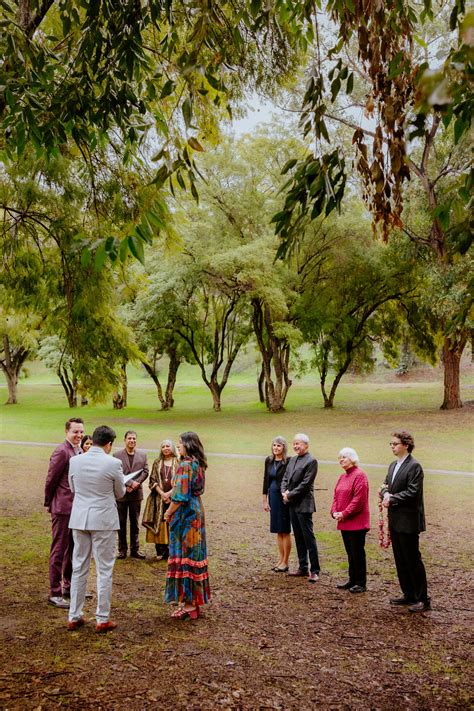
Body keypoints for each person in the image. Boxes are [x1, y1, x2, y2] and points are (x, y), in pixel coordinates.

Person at [67, 425, 125, 632]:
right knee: (104, 569)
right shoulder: (114, 463)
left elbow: (72, 488)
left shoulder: (75, 460)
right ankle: (102, 618)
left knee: (78, 566)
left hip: (80, 517)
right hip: (103, 520)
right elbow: (120, 492)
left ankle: (74, 615)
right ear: (109, 443)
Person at [164, 431, 211, 619]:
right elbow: (188, 489)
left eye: (180, 443)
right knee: (194, 554)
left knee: (185, 555)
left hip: (185, 515)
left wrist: (168, 513)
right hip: (197, 511)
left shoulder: (185, 465)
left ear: (188, 445)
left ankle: (189, 605)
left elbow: (181, 497)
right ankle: (193, 602)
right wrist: (170, 493)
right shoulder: (198, 464)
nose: (178, 446)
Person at [382, 431, 430, 612]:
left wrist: (392, 498)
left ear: (406, 445)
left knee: (412, 559)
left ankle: (422, 599)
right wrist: (385, 493)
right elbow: (385, 484)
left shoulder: (414, 466)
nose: (392, 447)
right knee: (400, 558)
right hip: (395, 519)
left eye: (395, 444)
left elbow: (413, 492)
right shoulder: (393, 465)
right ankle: (408, 593)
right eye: (391, 444)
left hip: (409, 521)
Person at [44, 417, 84, 608]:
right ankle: (55, 592)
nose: (79, 435)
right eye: (75, 432)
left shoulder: (79, 450)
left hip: (77, 508)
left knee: (73, 549)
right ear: (66, 432)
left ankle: (69, 587)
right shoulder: (61, 451)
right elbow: (51, 480)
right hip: (62, 508)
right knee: (59, 550)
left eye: (81, 432)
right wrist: (49, 502)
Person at [281, 433, 321, 583]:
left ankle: (315, 570)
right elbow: (285, 478)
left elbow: (305, 485)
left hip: (304, 505)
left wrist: (289, 495)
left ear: (306, 445)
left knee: (308, 538)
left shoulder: (311, 461)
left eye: (299, 443)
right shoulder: (292, 460)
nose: (296, 446)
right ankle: (302, 567)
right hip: (291, 504)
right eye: (294, 444)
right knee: (298, 537)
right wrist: (284, 492)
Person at [331, 447, 370, 593]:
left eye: (344, 457)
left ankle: (360, 582)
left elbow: (358, 500)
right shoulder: (342, 477)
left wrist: (344, 513)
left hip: (357, 522)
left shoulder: (360, 475)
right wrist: (334, 511)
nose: (341, 460)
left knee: (357, 552)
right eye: (339, 457)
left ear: (352, 459)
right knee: (350, 552)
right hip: (344, 521)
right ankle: (352, 579)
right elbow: (336, 496)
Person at [114, 430, 149, 559]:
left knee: (135, 523)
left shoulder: (142, 455)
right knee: (121, 523)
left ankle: (135, 549)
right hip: (122, 494)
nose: (132, 441)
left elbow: (145, 471)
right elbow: (116, 472)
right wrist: (129, 483)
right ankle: (122, 550)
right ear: (125, 440)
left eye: (134, 438)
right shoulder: (117, 455)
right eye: (129, 438)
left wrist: (137, 483)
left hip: (136, 494)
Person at [142, 439, 179, 559]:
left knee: (172, 522)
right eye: (163, 446)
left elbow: (180, 482)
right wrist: (162, 494)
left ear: (172, 447)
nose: (165, 448)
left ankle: (171, 551)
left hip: (174, 499)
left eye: (168, 446)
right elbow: (152, 480)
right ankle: (160, 551)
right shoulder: (157, 462)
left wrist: (169, 494)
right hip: (159, 499)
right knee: (160, 522)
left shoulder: (178, 462)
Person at [262, 436, 291, 572]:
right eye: (274, 445)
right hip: (272, 497)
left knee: (285, 530)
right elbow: (265, 480)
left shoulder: (288, 462)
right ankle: (280, 559)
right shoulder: (269, 460)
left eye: (279, 446)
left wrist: (288, 494)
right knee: (278, 531)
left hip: (283, 498)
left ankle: (286, 561)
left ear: (283, 447)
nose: (276, 448)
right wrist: (264, 500)